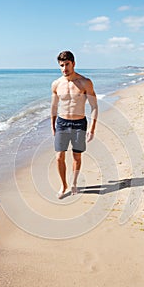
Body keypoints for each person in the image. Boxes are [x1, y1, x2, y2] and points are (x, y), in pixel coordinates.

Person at [51, 51, 98, 199]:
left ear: (73, 63)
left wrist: (92, 128)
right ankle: (64, 185)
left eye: (67, 64)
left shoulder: (85, 82)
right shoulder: (56, 84)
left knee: (76, 156)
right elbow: (53, 107)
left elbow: (94, 106)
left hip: (79, 123)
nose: (64, 68)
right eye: (61, 65)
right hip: (62, 123)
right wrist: (53, 126)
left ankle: (74, 183)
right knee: (59, 156)